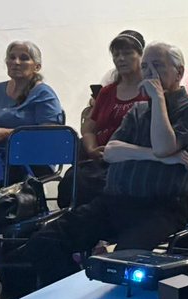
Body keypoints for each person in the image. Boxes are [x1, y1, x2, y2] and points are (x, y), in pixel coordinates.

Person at [20, 42, 188, 289]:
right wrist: (156, 157)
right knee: (44, 241)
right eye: (145, 67)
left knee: (122, 265)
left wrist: (158, 100)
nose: (150, 73)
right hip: (113, 201)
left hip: (159, 208)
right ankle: (71, 294)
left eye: (158, 66)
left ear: (179, 72)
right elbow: (111, 151)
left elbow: (164, 145)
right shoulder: (138, 110)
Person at [61, 30, 147, 209]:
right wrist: (92, 149)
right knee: (72, 180)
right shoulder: (107, 92)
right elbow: (88, 128)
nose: (121, 59)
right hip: (102, 159)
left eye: (127, 53)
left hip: (134, 160)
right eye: (116, 55)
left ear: (141, 56)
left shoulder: (151, 90)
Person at [0, 40, 64, 188]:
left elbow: (50, 135)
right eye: (12, 57)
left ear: (37, 67)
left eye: (24, 58)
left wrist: (8, 134)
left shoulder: (43, 94)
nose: (16, 62)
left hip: (27, 159)